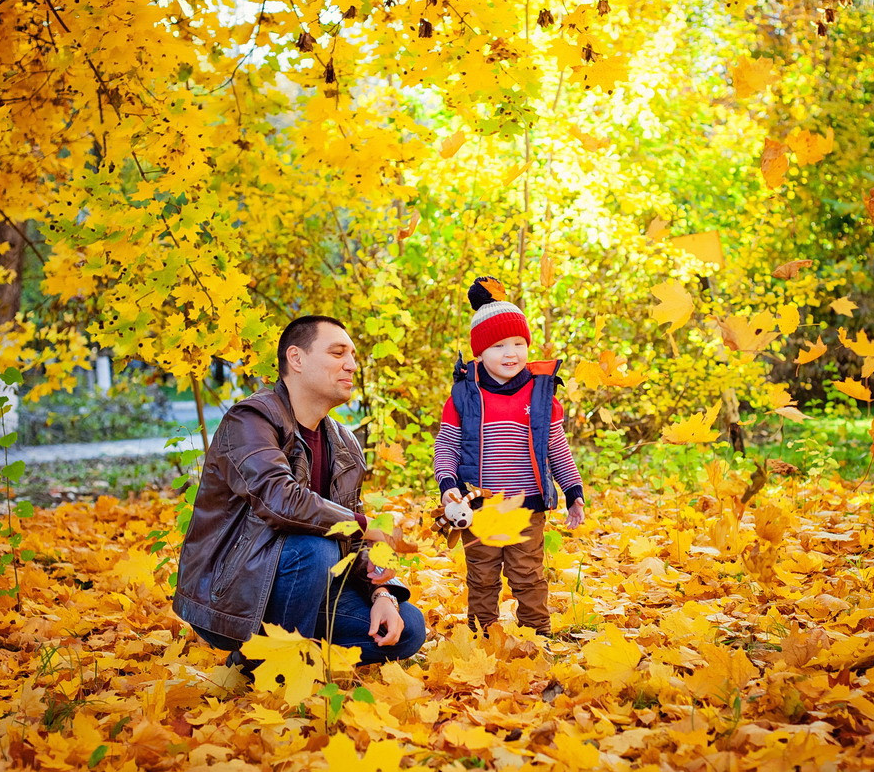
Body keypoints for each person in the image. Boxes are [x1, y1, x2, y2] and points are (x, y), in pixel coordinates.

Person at [173, 315, 426, 669]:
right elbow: (280, 499)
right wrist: (366, 524)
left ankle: (286, 655)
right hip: (234, 597)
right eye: (338, 353)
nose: (351, 365)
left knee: (410, 628)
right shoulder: (250, 420)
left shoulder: (345, 444)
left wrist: (382, 592)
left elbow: (352, 542)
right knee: (317, 547)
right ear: (296, 358)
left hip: (307, 586)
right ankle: (271, 668)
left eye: (352, 355)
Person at [433, 277, 586, 636]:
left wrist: (573, 492)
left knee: (527, 575)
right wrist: (447, 485)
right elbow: (447, 445)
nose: (511, 353)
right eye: (499, 345)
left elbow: (557, 448)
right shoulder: (463, 397)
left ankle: (538, 635)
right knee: (482, 577)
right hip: (479, 507)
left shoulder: (541, 395)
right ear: (479, 353)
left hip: (526, 505)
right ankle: (483, 636)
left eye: (519, 343)